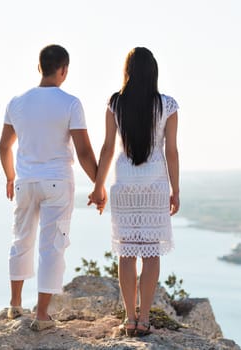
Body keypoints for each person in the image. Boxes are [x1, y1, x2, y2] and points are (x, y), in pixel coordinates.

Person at [0, 44, 102, 331]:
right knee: (52, 246)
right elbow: (83, 152)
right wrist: (99, 185)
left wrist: (10, 176)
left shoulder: (16, 102)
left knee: (21, 239)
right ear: (64, 70)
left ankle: (15, 304)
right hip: (57, 181)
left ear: (39, 67)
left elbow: (4, 145)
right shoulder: (70, 103)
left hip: (25, 182)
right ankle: (42, 315)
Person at [89, 47, 180, 337]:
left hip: (124, 182)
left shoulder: (115, 103)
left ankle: (129, 319)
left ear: (127, 71)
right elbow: (172, 151)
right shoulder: (167, 105)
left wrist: (98, 186)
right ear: (154, 72)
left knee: (126, 253)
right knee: (151, 254)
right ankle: (144, 319)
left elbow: (106, 148)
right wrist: (176, 190)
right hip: (155, 182)